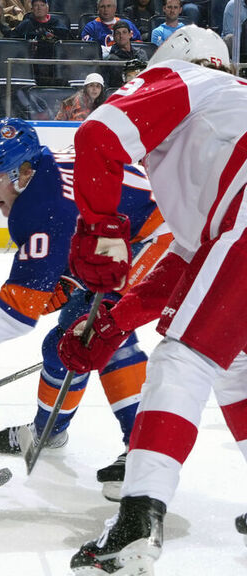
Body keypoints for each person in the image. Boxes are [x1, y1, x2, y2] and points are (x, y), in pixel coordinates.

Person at [56, 26, 247, 574]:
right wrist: (114, 323)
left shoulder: (183, 77)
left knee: (184, 358)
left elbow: (97, 133)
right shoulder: (221, 124)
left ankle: (138, 519)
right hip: (233, 230)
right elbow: (186, 265)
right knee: (234, 366)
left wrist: (100, 226)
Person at [0, 118, 170, 501]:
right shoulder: (43, 173)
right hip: (127, 235)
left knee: (102, 332)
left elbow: (17, 311)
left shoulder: (42, 207)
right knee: (62, 346)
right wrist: (68, 280)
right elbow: (83, 222)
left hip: (164, 234)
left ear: (23, 172)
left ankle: (143, 453)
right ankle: (48, 431)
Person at [10, 0, 69, 86]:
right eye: (36, 5)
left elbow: (66, 44)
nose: (39, 8)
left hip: (53, 64)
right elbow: (12, 42)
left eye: (42, 5)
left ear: (47, 8)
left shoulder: (58, 24)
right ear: (32, 9)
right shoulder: (25, 24)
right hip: (30, 65)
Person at [105, 20, 148, 87]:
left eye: (124, 32)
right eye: (118, 33)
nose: (121, 36)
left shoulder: (140, 53)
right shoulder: (110, 59)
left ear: (130, 34)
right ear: (114, 37)